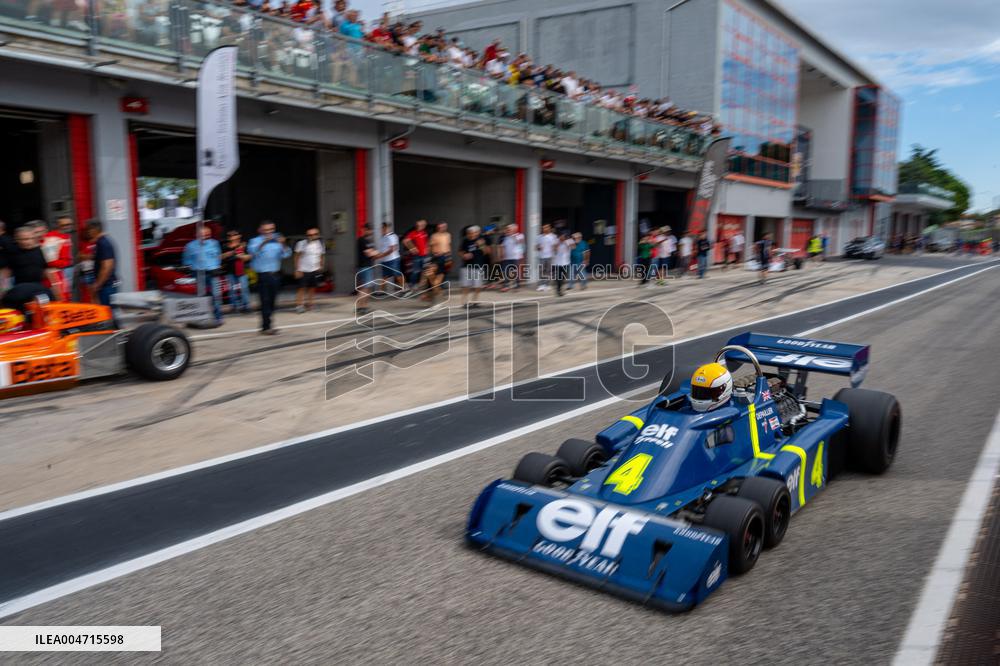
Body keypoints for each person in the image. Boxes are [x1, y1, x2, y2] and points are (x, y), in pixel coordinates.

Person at [248, 220, 291, 335]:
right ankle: (266, 327)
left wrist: (283, 243)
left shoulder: (277, 241)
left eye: (271, 230)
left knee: (272, 301)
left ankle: (268, 324)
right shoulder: (254, 241)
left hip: (276, 274)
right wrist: (263, 243)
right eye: (266, 230)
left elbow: (287, 254)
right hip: (263, 275)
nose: (269, 232)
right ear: (260, 230)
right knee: (265, 301)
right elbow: (252, 252)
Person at [182, 224, 224, 325]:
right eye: (203, 235)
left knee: (216, 295)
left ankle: (218, 317)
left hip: (212, 272)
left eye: (207, 235)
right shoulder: (190, 246)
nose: (205, 237)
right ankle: (201, 317)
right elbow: (186, 261)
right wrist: (193, 267)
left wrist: (217, 266)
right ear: (197, 235)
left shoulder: (215, 243)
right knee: (200, 296)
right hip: (198, 273)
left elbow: (218, 256)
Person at [41, 217, 74, 300]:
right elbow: (51, 261)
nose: (67, 226)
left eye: (69, 224)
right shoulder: (51, 238)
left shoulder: (65, 236)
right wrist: (65, 263)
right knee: (61, 298)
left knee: (66, 295)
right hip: (55, 272)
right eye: (64, 225)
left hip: (63, 270)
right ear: (57, 225)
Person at [87, 220, 118, 306]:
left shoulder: (103, 243)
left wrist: (97, 284)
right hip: (105, 285)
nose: (88, 232)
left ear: (94, 230)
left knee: (108, 313)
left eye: (89, 230)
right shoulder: (100, 242)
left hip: (107, 286)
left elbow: (107, 266)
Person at [294, 227, 325, 313]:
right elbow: (297, 257)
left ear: (318, 235)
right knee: (301, 288)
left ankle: (310, 305)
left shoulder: (320, 244)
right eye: (309, 235)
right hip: (303, 270)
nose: (312, 236)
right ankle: (299, 306)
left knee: (312, 288)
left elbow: (321, 255)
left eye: (314, 234)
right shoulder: (301, 244)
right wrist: (297, 269)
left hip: (314, 270)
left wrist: (321, 265)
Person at [221, 230, 251, 314]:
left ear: (239, 236)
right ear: (228, 237)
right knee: (232, 290)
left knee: (244, 289)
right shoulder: (225, 246)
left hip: (242, 271)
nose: (232, 237)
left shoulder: (243, 245)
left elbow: (248, 257)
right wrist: (235, 254)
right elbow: (222, 258)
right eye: (230, 236)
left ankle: (246, 306)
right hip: (230, 272)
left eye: (234, 235)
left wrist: (240, 256)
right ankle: (235, 306)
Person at [460, 225, 489, 305]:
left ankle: (474, 300)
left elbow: (487, 252)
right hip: (466, 266)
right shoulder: (465, 241)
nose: (471, 235)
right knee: (465, 285)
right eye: (469, 233)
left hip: (478, 266)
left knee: (478, 285)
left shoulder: (481, 240)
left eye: (472, 233)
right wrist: (464, 255)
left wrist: (482, 245)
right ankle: (464, 301)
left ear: (476, 233)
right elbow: (460, 251)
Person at [355, 225, 378, 314]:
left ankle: (363, 307)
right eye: (368, 230)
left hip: (368, 266)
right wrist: (375, 253)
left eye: (370, 230)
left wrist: (374, 253)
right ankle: (361, 307)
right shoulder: (362, 240)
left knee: (365, 288)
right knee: (364, 288)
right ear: (363, 230)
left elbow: (374, 252)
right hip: (364, 267)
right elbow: (369, 253)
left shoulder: (369, 241)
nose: (369, 232)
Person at [376, 222, 404, 292]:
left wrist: (380, 255)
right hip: (385, 260)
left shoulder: (392, 236)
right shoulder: (383, 237)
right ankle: (381, 291)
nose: (381, 229)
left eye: (382, 228)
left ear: (386, 228)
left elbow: (392, 249)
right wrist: (376, 255)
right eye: (381, 228)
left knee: (397, 275)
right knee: (384, 276)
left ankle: (405, 289)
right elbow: (382, 249)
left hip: (393, 259)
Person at [428, 221, 452, 302]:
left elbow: (448, 246)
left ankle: (438, 295)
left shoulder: (448, 235)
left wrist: (449, 257)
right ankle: (438, 295)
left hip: (445, 257)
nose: (443, 228)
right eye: (441, 227)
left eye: (444, 226)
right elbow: (430, 247)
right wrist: (434, 253)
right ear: (438, 227)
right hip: (436, 258)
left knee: (440, 278)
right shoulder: (434, 236)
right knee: (432, 276)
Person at [402, 219, 429, 289]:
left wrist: (427, 249)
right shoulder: (413, 233)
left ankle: (421, 285)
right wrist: (412, 248)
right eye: (421, 224)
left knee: (425, 271)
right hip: (417, 256)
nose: (422, 226)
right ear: (417, 225)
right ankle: (412, 284)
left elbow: (425, 242)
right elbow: (405, 241)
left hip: (424, 255)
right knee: (415, 271)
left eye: (424, 225)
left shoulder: (424, 233)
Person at [499, 223, 524, 291]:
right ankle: (506, 285)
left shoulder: (519, 235)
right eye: (507, 229)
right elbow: (503, 246)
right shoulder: (505, 237)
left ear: (514, 229)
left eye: (509, 229)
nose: (507, 230)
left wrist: (512, 235)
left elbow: (519, 242)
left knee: (515, 271)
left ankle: (516, 284)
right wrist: (502, 254)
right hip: (507, 257)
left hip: (515, 257)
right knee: (506, 271)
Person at [536, 223, 557, 290]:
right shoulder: (539, 237)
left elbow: (555, 246)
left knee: (548, 271)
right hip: (541, 256)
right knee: (541, 271)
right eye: (543, 228)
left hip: (549, 256)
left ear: (549, 228)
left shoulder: (553, 236)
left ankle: (547, 285)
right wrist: (538, 247)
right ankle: (541, 285)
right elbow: (536, 247)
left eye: (546, 228)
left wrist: (555, 253)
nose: (544, 229)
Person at [552, 230, 573, 297]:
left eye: (563, 236)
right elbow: (554, 250)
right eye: (561, 236)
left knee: (563, 277)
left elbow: (573, 247)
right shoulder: (556, 241)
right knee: (559, 277)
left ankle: (559, 288)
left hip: (566, 263)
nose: (562, 237)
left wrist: (565, 242)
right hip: (557, 263)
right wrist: (559, 243)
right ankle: (559, 290)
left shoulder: (569, 241)